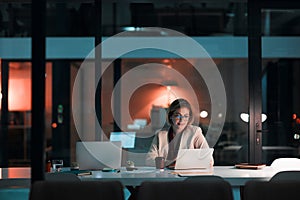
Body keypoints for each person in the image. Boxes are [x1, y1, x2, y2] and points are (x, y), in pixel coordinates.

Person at [146, 98, 213, 167]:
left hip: (188, 175)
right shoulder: (160, 135)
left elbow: (208, 159)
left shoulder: (195, 132)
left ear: (189, 118)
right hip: (165, 175)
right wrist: (170, 163)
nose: (182, 120)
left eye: (185, 116)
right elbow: (149, 160)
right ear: (171, 116)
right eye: (177, 115)